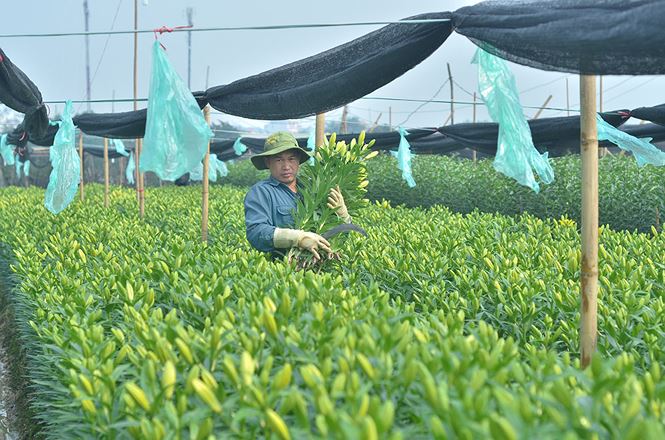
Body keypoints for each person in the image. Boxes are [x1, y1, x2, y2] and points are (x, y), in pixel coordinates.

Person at [244, 131, 351, 260]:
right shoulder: (261, 192)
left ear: (299, 160)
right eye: (279, 160)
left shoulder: (313, 188)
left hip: (322, 267)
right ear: (268, 163)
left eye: (291, 159)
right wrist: (298, 238)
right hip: (284, 269)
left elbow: (339, 236)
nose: (286, 166)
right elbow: (256, 233)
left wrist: (343, 217)